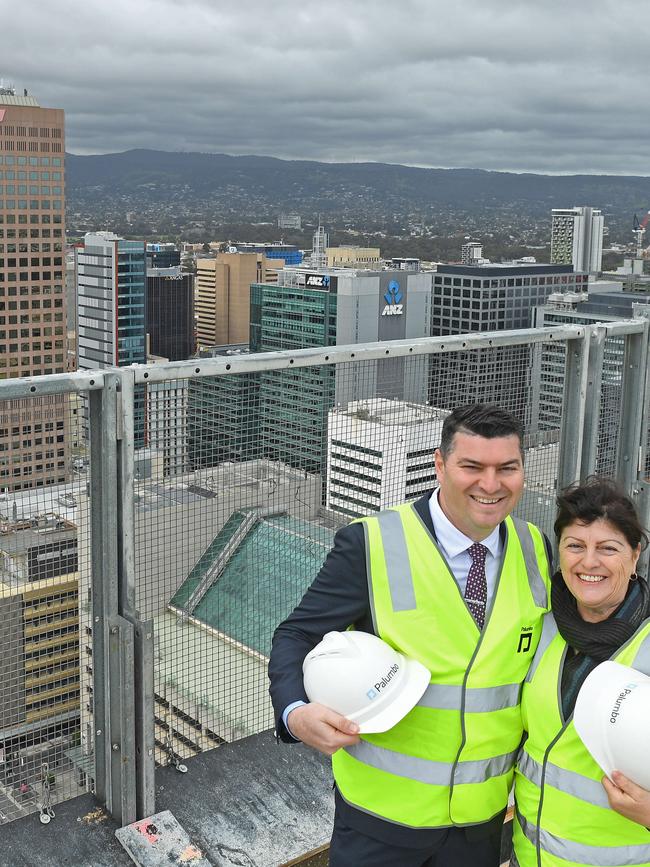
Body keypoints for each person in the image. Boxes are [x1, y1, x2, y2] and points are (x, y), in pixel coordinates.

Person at [269, 403, 553, 867]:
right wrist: (295, 712)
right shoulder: (371, 544)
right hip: (380, 821)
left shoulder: (535, 548)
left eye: (507, 468)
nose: (490, 484)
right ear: (439, 465)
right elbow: (297, 634)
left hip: (480, 821)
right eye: (472, 466)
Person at [513, 477, 650, 867]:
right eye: (576, 546)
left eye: (608, 548)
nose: (589, 562)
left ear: (635, 554)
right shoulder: (541, 629)